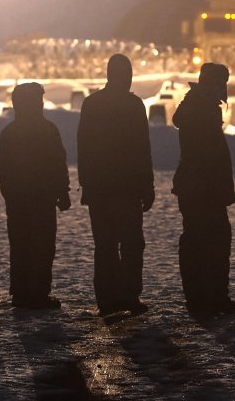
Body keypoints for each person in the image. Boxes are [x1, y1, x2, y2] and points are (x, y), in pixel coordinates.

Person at [77, 54, 155, 317]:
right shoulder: (134, 105)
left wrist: (86, 183)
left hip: (100, 189)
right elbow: (143, 149)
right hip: (128, 188)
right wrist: (148, 185)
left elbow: (83, 147)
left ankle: (107, 298)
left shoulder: (92, 104)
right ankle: (130, 295)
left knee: (105, 244)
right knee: (132, 243)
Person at [173, 63, 235, 317]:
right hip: (204, 188)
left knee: (200, 241)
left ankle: (204, 297)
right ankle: (209, 297)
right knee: (210, 242)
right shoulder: (203, 108)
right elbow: (207, 154)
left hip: (197, 187)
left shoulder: (197, 105)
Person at [0, 82, 72, 309]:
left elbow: (3, 168)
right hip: (42, 198)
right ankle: (38, 292)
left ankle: (21, 292)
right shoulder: (48, 130)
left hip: (19, 199)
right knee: (42, 245)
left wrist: (8, 192)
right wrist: (62, 191)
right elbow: (58, 163)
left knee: (20, 245)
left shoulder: (10, 132)